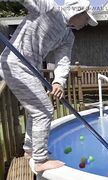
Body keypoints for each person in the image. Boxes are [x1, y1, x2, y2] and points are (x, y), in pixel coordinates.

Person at [0, 0, 97, 172]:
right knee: (44, 110)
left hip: (32, 69)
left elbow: (63, 60)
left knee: (38, 109)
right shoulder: (49, 8)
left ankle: (30, 151)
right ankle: (40, 160)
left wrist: (59, 81)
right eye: (86, 18)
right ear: (78, 10)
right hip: (15, 63)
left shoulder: (68, 36)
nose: (86, 23)